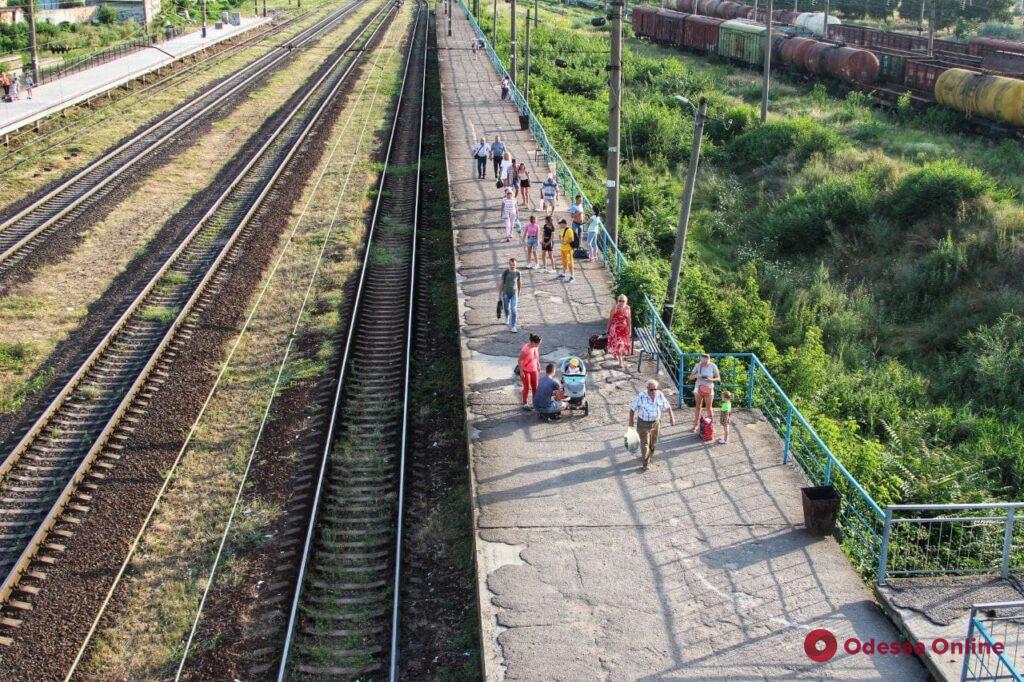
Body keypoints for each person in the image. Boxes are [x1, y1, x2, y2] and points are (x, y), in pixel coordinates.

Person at [628, 379, 675, 470]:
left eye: (655, 389)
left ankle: (649, 456)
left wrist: (671, 417)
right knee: (644, 443)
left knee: (653, 443)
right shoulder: (641, 396)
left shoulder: (659, 394)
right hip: (643, 423)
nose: (653, 391)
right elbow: (632, 409)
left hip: (656, 422)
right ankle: (645, 464)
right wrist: (631, 422)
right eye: (651, 390)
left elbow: (667, 406)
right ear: (647, 388)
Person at [688, 353, 721, 433]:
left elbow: (718, 378)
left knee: (709, 408)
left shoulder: (713, 366)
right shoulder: (697, 365)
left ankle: (711, 426)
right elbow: (690, 377)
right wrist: (696, 376)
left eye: (706, 362)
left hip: (709, 388)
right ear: (701, 359)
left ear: (709, 360)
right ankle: (695, 425)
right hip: (698, 387)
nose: (704, 364)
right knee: (698, 407)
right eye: (703, 362)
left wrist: (711, 379)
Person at [607, 294, 632, 369]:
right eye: (619, 301)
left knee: (620, 344)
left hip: (623, 329)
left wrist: (630, 330)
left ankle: (615, 354)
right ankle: (621, 361)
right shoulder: (614, 308)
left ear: (626, 301)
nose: (621, 302)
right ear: (617, 301)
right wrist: (607, 329)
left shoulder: (627, 308)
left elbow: (629, 320)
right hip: (615, 328)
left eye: (623, 301)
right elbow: (610, 319)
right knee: (619, 344)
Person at [519, 334, 541, 409]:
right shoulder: (525, 349)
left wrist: (538, 364)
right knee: (527, 387)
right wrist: (521, 371)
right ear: (533, 342)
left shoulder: (535, 347)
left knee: (535, 387)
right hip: (525, 370)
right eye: (537, 343)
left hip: (534, 369)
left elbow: (536, 356)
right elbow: (520, 360)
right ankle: (525, 403)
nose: (538, 345)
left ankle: (535, 402)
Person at [498, 257, 521, 333]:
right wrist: (499, 294)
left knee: (514, 310)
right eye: (511, 265)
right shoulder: (505, 272)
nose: (512, 266)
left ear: (516, 265)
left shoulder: (518, 273)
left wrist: (519, 293)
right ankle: (507, 317)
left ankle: (513, 326)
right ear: (509, 264)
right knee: (506, 308)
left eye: (513, 265)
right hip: (506, 293)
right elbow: (501, 283)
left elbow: (519, 283)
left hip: (514, 293)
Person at [557, 218, 575, 283]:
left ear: (564, 224)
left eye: (560, 224)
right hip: (563, 249)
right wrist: (560, 240)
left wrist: (565, 242)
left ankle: (572, 276)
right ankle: (563, 274)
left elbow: (572, 239)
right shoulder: (561, 230)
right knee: (564, 262)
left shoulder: (569, 230)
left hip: (568, 249)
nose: (560, 225)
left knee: (570, 263)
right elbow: (560, 236)